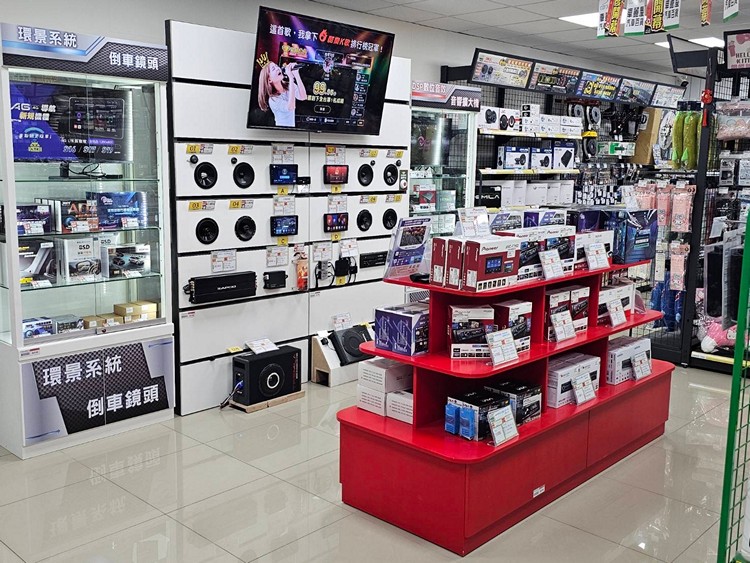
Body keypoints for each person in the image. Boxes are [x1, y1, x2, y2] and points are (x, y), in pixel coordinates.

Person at [257, 62, 307, 127]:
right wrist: (291, 78)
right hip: (280, 131)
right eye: (273, 69)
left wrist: (296, 74)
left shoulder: (289, 86)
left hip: (292, 129)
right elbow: (291, 107)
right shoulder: (273, 100)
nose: (278, 68)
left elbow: (303, 96)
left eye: (277, 66)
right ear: (269, 80)